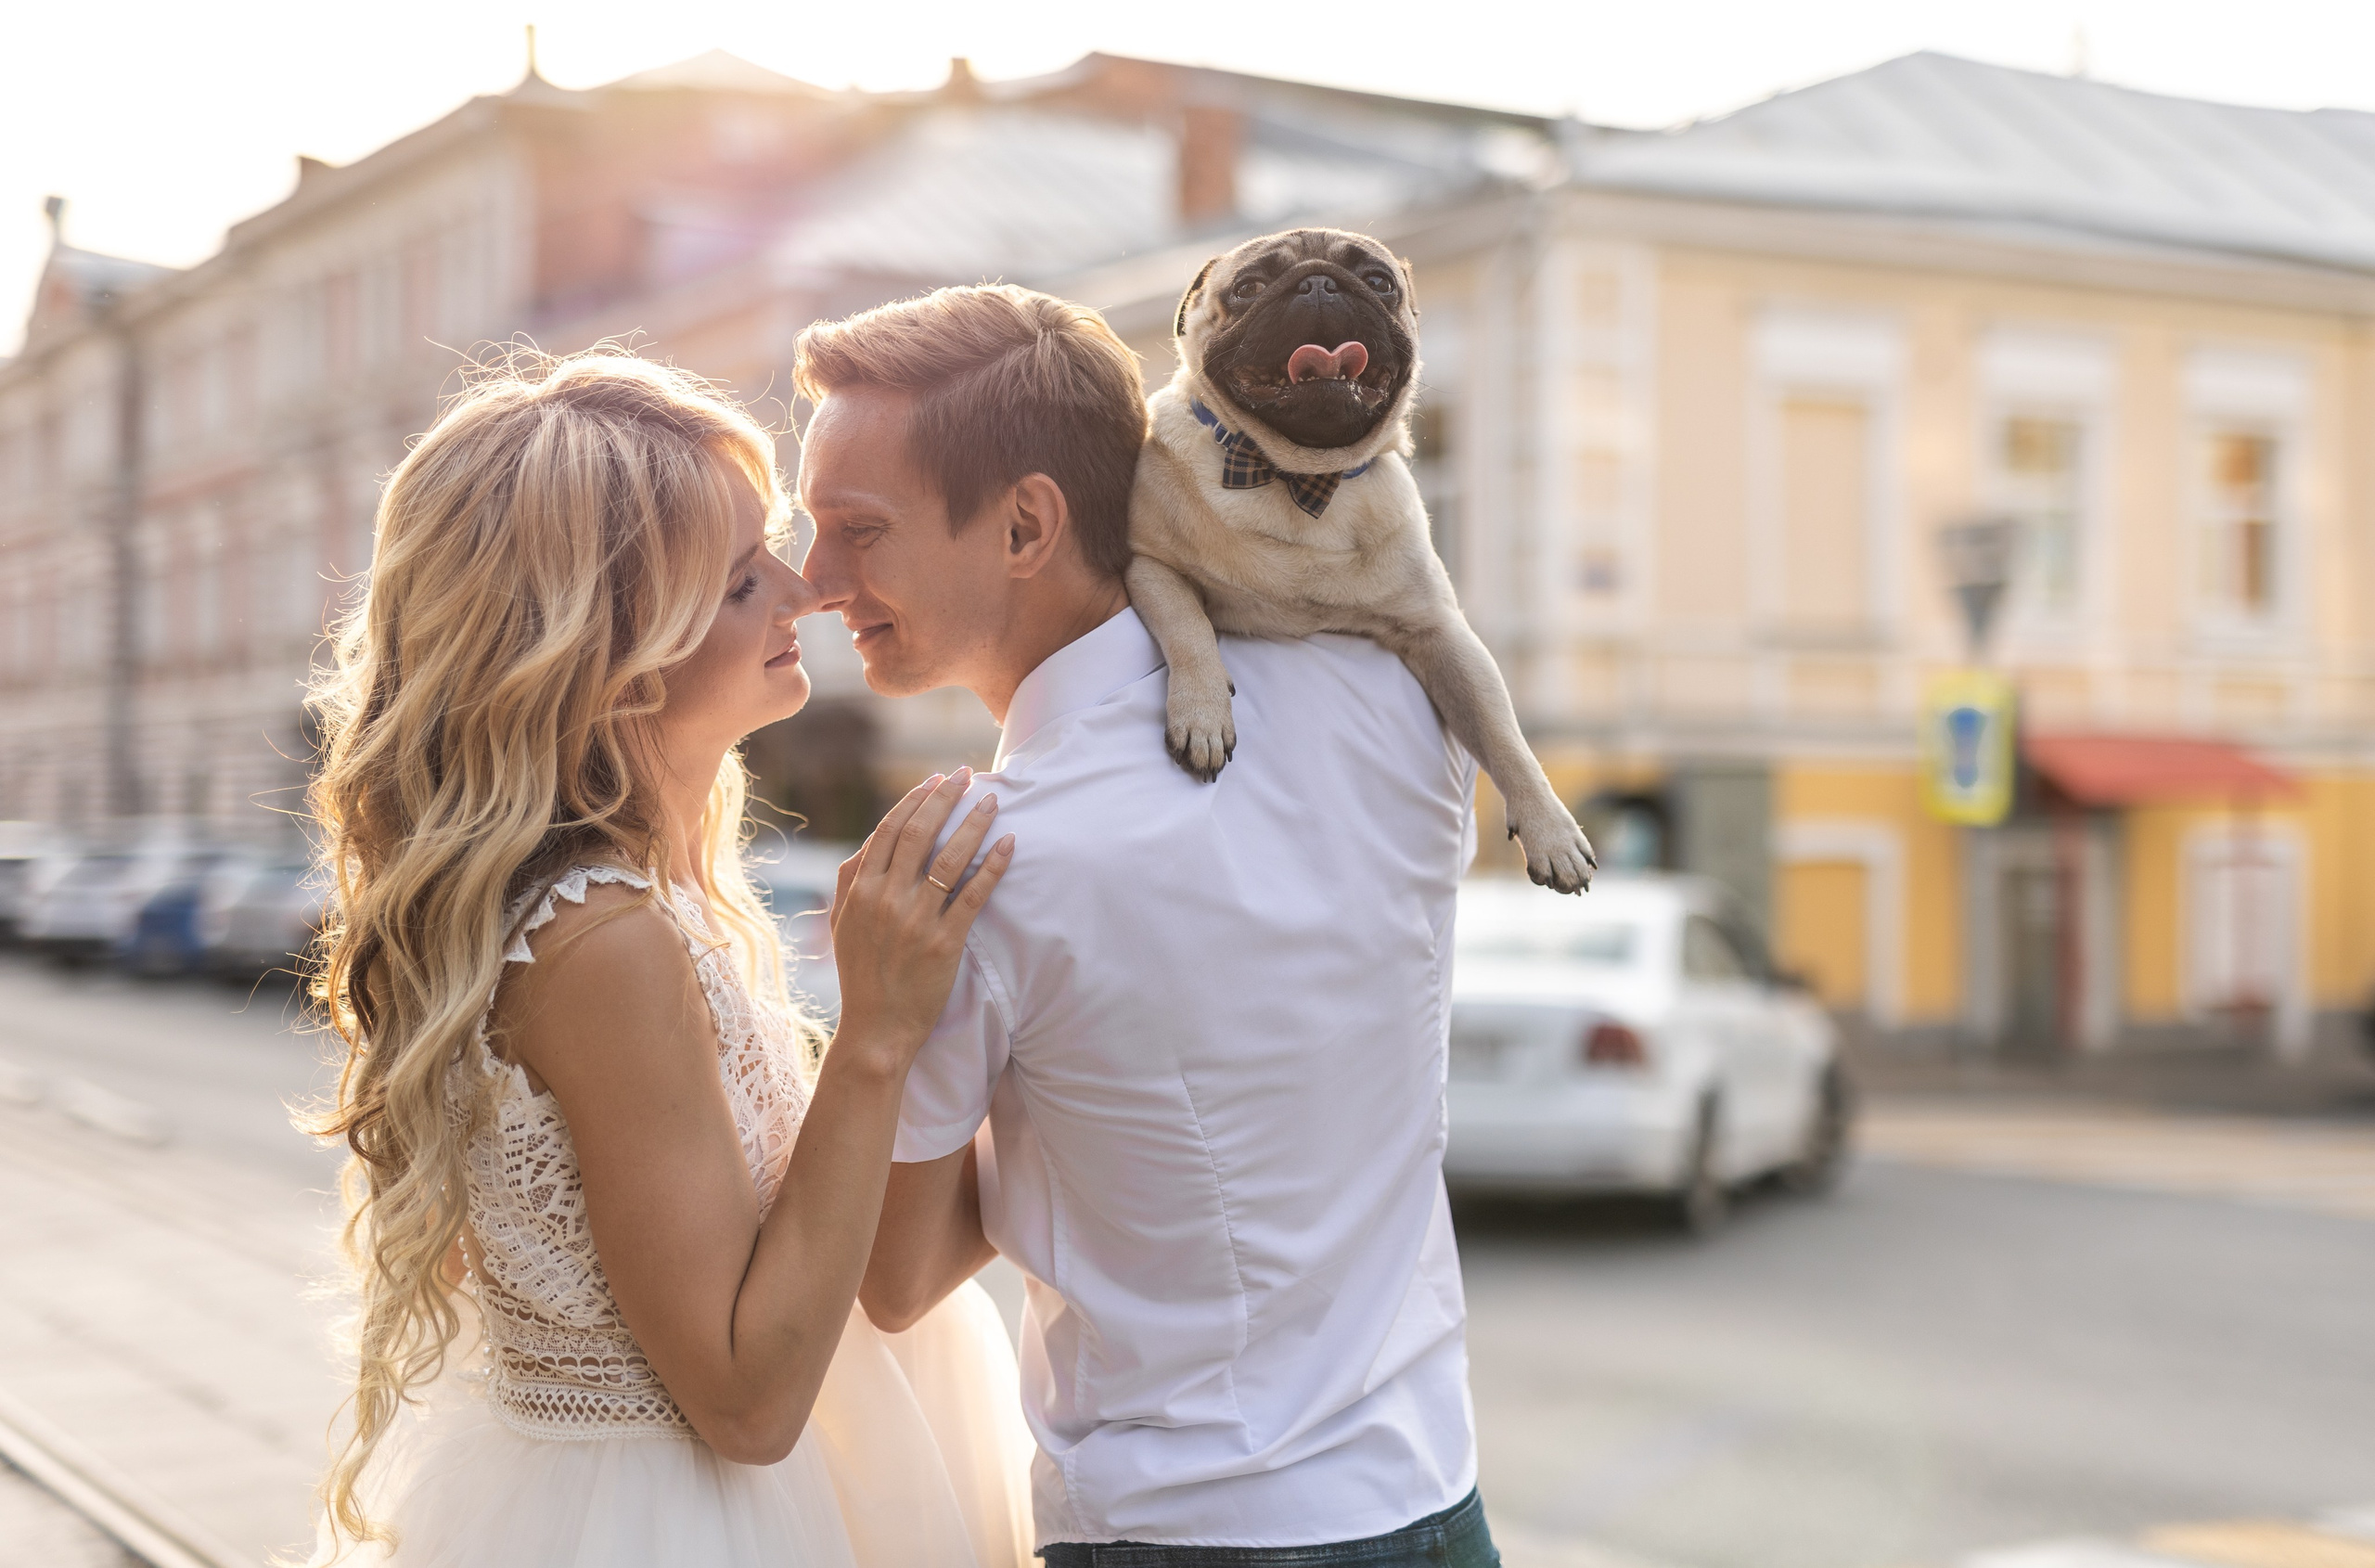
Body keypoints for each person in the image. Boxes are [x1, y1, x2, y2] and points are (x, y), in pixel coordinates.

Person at [798, 285, 1502, 1566]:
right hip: (1433, 1504)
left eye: (856, 530)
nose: (813, 578)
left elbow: (895, 1280)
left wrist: (894, 1045)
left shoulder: (981, 870)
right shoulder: (1402, 701)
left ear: (1026, 522)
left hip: (1180, 1535)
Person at [302, 350, 1034, 1567]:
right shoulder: (605, 943)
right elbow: (748, 1400)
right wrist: (876, 1033)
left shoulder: (657, 897)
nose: (805, 588)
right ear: (604, 647)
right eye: (747, 577)